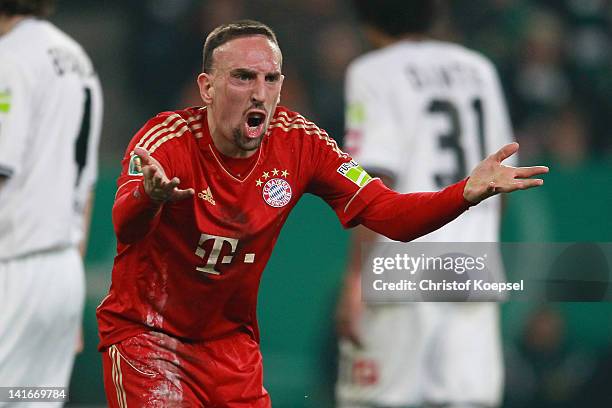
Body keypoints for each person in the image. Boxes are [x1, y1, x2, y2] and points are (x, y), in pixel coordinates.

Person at [95, 19, 547, 407]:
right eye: (242, 77)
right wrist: (148, 198)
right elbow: (125, 226)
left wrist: (463, 193)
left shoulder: (301, 143)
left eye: (270, 80)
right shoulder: (165, 139)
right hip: (148, 337)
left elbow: (391, 214)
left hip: (230, 344)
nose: (259, 93)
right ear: (207, 87)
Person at [335, 1, 517, 407]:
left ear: (366, 19)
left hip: (402, 265)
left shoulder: (373, 70)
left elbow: (377, 182)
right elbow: (503, 178)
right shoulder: (478, 68)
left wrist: (354, 280)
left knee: (378, 400)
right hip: (472, 266)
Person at [0, 0, 103, 404]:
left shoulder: (9, 58)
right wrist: (71, 288)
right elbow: (87, 184)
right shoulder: (76, 58)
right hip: (61, 271)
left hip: (13, 266)